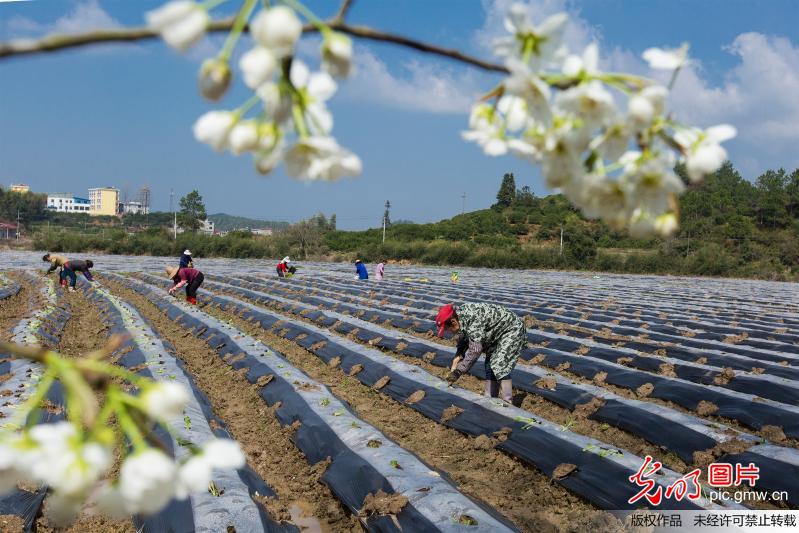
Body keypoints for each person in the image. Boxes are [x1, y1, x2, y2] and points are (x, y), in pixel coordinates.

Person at [435, 302, 526, 403]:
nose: (450, 332)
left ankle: (507, 402)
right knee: (489, 365)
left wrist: (458, 371)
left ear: (453, 322)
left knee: (499, 364)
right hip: (495, 333)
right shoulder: (460, 317)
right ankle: (490, 399)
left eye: (448, 329)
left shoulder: (473, 319)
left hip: (511, 330)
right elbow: (463, 337)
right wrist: (458, 355)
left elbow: (475, 350)